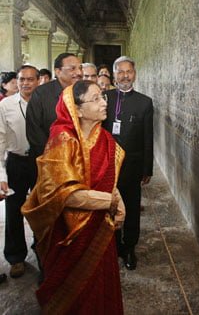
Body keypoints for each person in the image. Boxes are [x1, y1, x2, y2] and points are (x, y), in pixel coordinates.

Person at [22, 80, 126, 314]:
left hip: (101, 229)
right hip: (70, 232)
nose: (103, 103)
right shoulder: (62, 140)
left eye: (103, 97)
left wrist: (121, 205)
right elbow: (64, 195)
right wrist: (109, 202)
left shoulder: (105, 139)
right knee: (73, 291)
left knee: (101, 284)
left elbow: (111, 182)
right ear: (76, 109)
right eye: (96, 98)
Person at [102, 56, 153, 270]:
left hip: (132, 166)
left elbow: (148, 137)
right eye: (120, 72)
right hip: (106, 165)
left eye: (128, 71)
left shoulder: (144, 102)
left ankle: (130, 247)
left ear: (135, 74)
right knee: (109, 206)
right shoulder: (104, 97)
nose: (125, 75)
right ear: (114, 75)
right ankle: (112, 246)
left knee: (131, 208)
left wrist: (147, 168)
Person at [0, 65, 39, 278]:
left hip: (40, 161)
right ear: (17, 81)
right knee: (14, 209)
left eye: (30, 79)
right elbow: (0, 139)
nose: (26, 83)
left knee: (42, 207)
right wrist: (1, 175)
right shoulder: (6, 105)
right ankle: (15, 257)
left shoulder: (45, 102)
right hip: (16, 161)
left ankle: (42, 248)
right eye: (22, 79)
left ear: (38, 81)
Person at [26, 52, 83, 159]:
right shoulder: (41, 93)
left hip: (78, 158)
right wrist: (52, 156)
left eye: (80, 68)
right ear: (58, 71)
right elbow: (34, 130)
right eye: (72, 69)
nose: (79, 72)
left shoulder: (84, 92)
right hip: (49, 159)